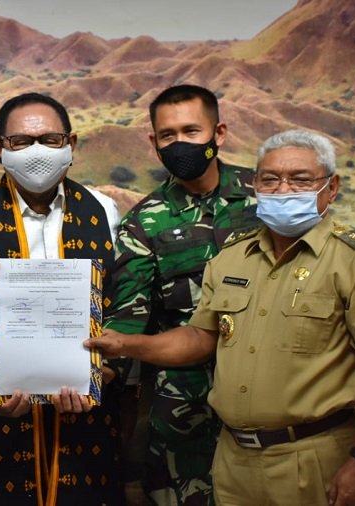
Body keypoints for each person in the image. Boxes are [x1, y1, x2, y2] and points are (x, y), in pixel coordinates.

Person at [90, 129, 355, 506]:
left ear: (331, 188)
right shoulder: (232, 257)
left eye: (301, 179)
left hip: (313, 456)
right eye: (270, 179)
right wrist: (125, 344)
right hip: (233, 459)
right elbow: (198, 339)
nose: (283, 189)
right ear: (254, 186)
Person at [0, 92, 123, 505]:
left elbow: (121, 303)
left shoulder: (106, 213)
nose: (36, 151)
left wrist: (105, 367)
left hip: (86, 410)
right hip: (4, 412)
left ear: (71, 144)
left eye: (50, 140)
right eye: (21, 141)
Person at [105, 84, 260, 505]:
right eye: (168, 135)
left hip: (269, 391)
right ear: (154, 142)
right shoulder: (142, 223)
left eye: (191, 131)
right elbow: (128, 316)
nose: (180, 144)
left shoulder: (266, 195)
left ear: (219, 133)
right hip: (185, 407)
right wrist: (98, 367)